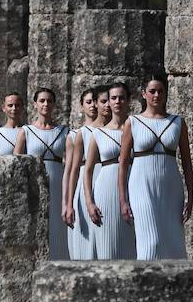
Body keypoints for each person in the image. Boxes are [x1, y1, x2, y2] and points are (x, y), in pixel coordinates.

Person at [119, 75, 193, 259]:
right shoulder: (133, 122)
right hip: (141, 185)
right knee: (150, 243)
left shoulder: (178, 122)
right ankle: (144, 285)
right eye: (152, 91)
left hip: (171, 186)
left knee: (173, 242)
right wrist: (123, 200)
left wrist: (191, 197)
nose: (156, 95)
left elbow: (187, 163)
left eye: (160, 91)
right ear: (144, 94)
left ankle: (176, 284)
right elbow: (122, 164)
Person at [14, 88, 70, 260]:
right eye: (42, 101)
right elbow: (16, 164)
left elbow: (70, 164)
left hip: (58, 184)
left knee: (57, 228)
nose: (46, 104)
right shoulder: (26, 131)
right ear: (35, 104)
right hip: (35, 186)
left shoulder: (64, 131)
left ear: (54, 105)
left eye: (49, 101)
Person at [84, 82, 136, 259]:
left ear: (129, 100)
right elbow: (88, 170)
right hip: (105, 190)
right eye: (113, 98)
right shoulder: (97, 134)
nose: (117, 101)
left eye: (122, 97)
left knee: (134, 246)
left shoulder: (137, 128)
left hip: (134, 187)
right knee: (108, 247)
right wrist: (89, 203)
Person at [63, 85, 111, 259]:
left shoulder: (116, 130)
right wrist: (67, 204)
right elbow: (72, 171)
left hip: (108, 182)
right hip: (85, 186)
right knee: (87, 240)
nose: (93, 105)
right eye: (90, 102)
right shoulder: (78, 135)